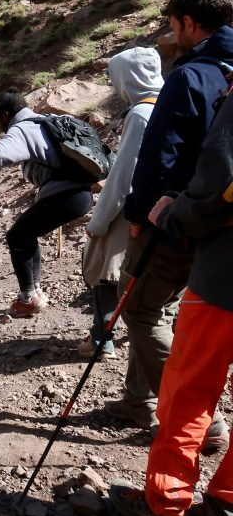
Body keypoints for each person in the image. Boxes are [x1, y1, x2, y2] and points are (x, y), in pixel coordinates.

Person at [109, 68, 233, 516]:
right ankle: (224, 513)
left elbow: (220, 180)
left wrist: (175, 209)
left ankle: (166, 507)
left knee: (190, 392)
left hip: (227, 277)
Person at [105, 0, 233, 435]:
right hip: (218, 221)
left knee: (140, 310)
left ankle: (202, 421)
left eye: (174, 24)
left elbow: (161, 155)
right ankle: (136, 401)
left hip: (173, 217)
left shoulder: (189, 75)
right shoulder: (228, 71)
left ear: (191, 24)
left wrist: (139, 214)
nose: (170, 33)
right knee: (159, 308)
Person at [0, 93, 93, 316]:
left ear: (4, 115)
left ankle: (29, 297)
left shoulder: (23, 128)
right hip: (80, 192)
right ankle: (34, 293)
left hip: (66, 195)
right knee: (25, 233)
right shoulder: (45, 120)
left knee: (17, 236)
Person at [79, 47, 162, 358]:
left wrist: (98, 220)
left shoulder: (141, 113)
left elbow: (124, 175)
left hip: (137, 204)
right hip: (165, 204)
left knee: (102, 261)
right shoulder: (170, 101)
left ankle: (102, 336)